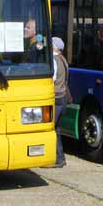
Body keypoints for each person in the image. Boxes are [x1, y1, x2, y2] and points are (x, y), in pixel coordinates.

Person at [45, 36, 69, 168]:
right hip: (63, 98)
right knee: (57, 129)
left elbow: (52, 78)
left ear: (54, 46)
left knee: (50, 128)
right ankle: (60, 158)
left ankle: (56, 159)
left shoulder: (53, 60)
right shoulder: (63, 59)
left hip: (56, 97)